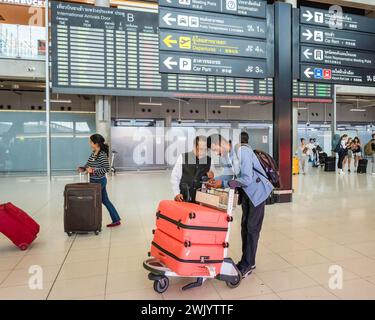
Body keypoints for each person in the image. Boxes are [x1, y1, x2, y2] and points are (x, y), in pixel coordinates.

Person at [207, 134, 273, 278]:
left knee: (252, 228)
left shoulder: (242, 151)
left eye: (216, 149)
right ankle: (248, 261)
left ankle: (248, 264)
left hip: (257, 193)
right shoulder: (226, 156)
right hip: (246, 194)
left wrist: (223, 184)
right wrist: (214, 180)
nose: (217, 153)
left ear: (222, 143)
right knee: (245, 227)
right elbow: (229, 175)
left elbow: (247, 179)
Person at [79, 134, 121, 228]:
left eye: (90, 142)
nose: (89, 144)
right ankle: (116, 219)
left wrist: (93, 170)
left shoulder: (102, 155)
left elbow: (106, 169)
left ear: (96, 143)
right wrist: (83, 168)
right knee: (105, 200)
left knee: (92, 200)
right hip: (93, 181)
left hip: (100, 181)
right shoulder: (93, 153)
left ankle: (89, 222)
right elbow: (88, 165)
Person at [171, 136, 213, 203]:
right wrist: (176, 193)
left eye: (205, 150)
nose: (203, 152)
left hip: (201, 199)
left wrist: (211, 178)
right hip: (183, 197)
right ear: (194, 146)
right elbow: (175, 177)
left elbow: (210, 180)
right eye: (200, 149)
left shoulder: (209, 160)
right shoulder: (183, 157)